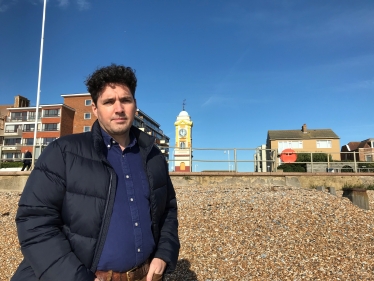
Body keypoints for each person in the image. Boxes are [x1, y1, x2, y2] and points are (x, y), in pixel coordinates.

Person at [11, 64, 180, 281]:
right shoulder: (63, 153)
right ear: (95, 109)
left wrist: (163, 254)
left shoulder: (153, 155)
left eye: (125, 100)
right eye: (109, 102)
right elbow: (34, 222)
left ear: (135, 106)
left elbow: (168, 211)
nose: (119, 109)